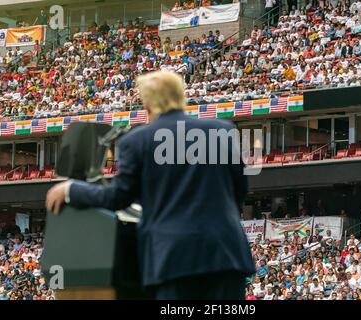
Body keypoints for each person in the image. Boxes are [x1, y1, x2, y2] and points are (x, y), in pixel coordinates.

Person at [45, 70, 255, 300]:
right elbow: (239, 190)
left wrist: (71, 189)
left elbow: (118, 198)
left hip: (172, 259)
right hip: (225, 254)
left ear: (147, 105)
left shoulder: (137, 141)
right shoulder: (221, 131)